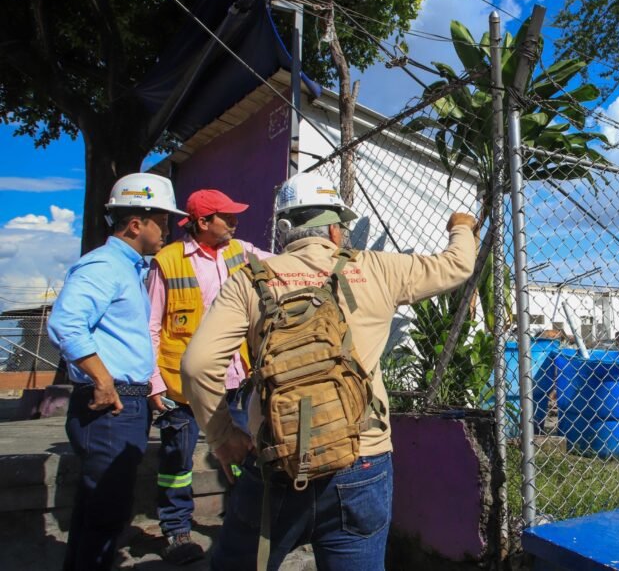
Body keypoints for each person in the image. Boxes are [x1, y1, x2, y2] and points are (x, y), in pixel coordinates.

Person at [180, 172, 476, 571]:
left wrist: (222, 437)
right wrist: (461, 225)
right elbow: (456, 266)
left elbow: (197, 365)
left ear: (283, 230)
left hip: (276, 460)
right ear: (336, 230)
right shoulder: (377, 268)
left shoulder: (249, 281)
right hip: (361, 458)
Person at [47, 172, 186, 571]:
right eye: (162, 219)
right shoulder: (104, 266)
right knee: (106, 514)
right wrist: (103, 379)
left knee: (97, 513)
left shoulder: (129, 268)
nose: (168, 228)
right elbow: (66, 323)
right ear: (135, 223)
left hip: (126, 401)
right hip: (111, 405)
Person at [146, 189, 272, 564]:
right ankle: (176, 530)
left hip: (232, 380)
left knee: (240, 452)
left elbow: (284, 263)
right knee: (177, 461)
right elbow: (150, 326)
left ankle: (238, 521)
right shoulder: (167, 262)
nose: (235, 222)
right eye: (226, 217)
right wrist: (154, 383)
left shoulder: (241, 252)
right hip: (180, 384)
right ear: (202, 222)